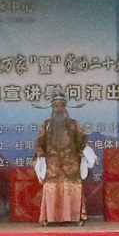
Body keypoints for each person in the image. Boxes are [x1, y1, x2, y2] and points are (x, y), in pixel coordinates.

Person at [33, 96, 88, 225]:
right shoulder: (46, 125)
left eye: (61, 106)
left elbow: (83, 137)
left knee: (72, 189)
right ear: (52, 108)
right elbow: (40, 141)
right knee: (52, 189)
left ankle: (74, 218)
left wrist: (79, 150)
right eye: (56, 106)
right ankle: (50, 218)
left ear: (65, 107)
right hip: (52, 164)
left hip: (71, 163)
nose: (59, 109)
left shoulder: (73, 124)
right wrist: (40, 152)